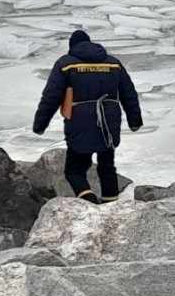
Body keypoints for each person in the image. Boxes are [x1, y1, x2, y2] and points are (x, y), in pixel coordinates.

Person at [32, 30, 143, 204]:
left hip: (80, 118)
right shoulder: (113, 63)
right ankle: (111, 203)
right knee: (107, 165)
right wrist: (135, 121)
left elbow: (51, 96)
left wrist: (40, 124)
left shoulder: (65, 64)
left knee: (74, 169)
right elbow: (129, 93)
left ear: (72, 47)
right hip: (109, 118)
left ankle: (88, 199)